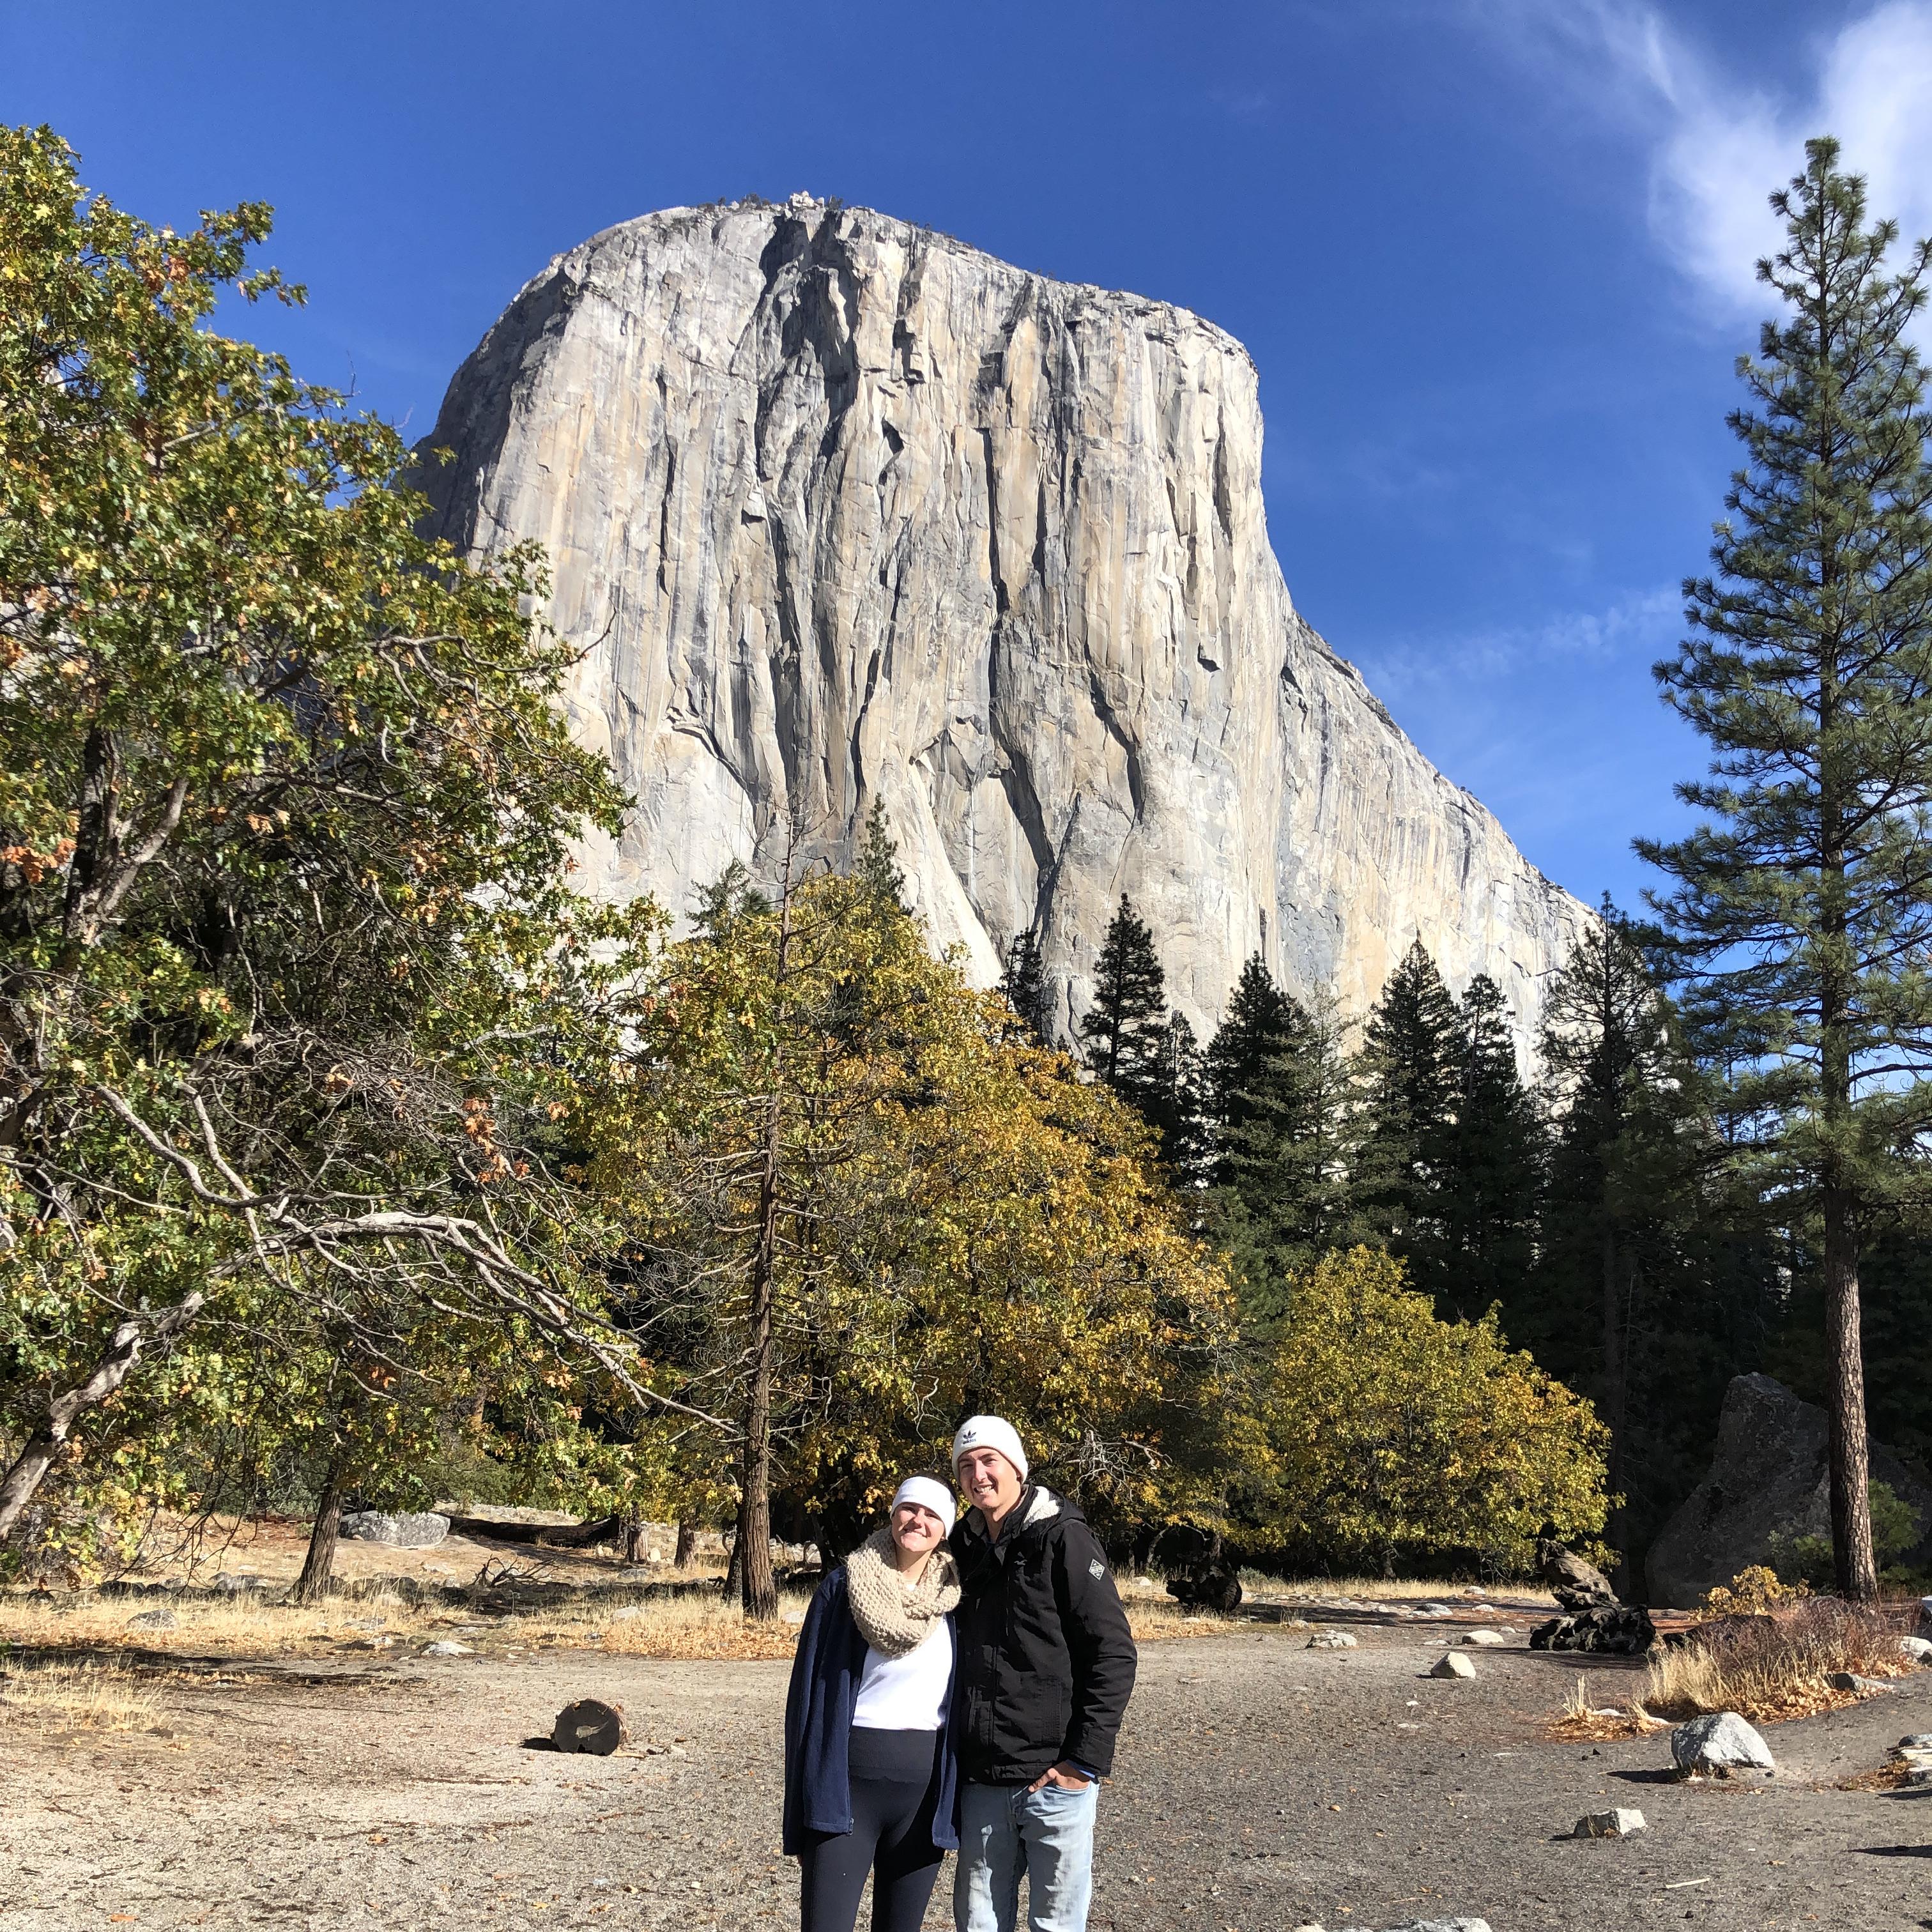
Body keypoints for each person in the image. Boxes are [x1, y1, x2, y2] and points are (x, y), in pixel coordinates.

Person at [949, 1415, 1137, 1932]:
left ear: (1017, 1468)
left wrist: (1084, 1761)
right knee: (980, 1924)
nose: (979, 1474)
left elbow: (1114, 1653)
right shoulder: (961, 1548)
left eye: (990, 1461)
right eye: (966, 1466)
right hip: (983, 1777)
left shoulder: (1064, 1538)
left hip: (1056, 1779)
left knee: (1056, 1925)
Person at [783, 1475, 963, 1932]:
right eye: (909, 1508)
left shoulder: (957, 1599)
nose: (917, 1520)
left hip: (922, 1800)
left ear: (946, 1527)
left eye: (931, 1514)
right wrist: (799, 1817)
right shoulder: (843, 1588)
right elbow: (804, 1702)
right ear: (892, 1514)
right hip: (845, 1789)